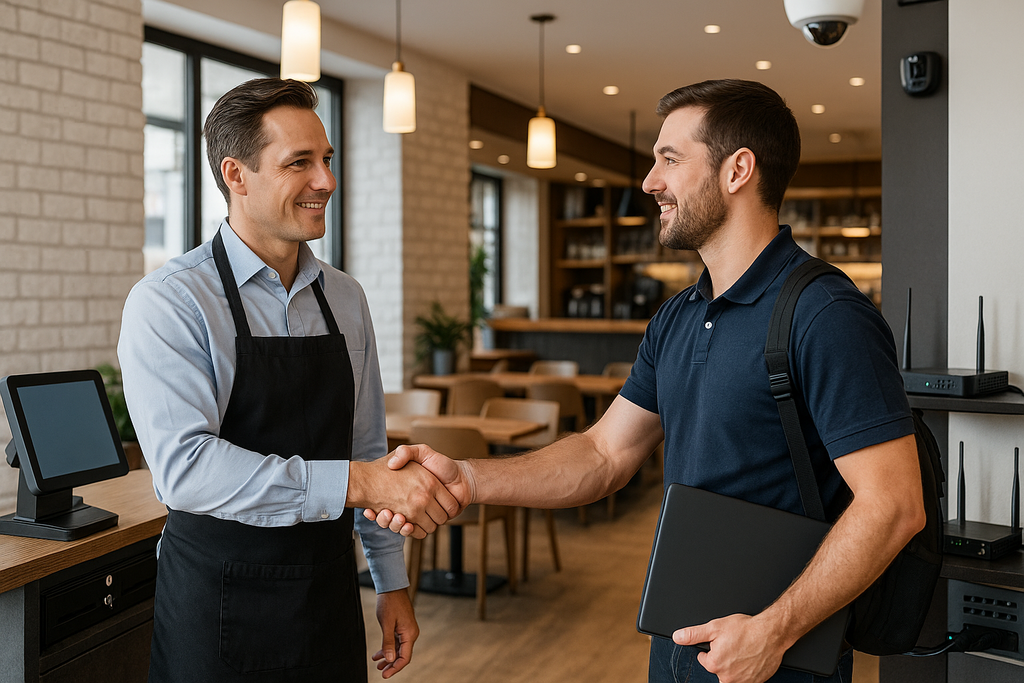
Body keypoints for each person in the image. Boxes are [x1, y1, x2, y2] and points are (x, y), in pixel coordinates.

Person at [368, 80, 926, 683]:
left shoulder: (825, 314)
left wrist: (773, 631)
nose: (649, 182)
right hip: (678, 646)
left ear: (738, 169)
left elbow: (893, 506)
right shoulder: (678, 315)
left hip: (776, 661)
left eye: (669, 159)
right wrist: (471, 477)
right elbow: (604, 453)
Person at [118, 78, 457, 683]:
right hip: (216, 607)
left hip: (326, 596)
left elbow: (366, 445)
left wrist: (390, 581)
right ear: (236, 174)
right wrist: (355, 483)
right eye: (299, 163)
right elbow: (185, 470)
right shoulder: (171, 302)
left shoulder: (346, 298)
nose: (325, 180)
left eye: (325, 159)